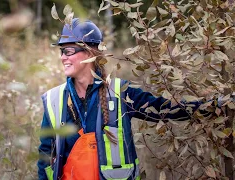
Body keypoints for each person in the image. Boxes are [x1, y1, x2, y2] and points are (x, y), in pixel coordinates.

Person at [37, 18, 198, 180]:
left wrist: (209, 107)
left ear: (90, 53)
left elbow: (163, 109)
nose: (63, 57)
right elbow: (45, 156)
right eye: (61, 51)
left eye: (68, 51)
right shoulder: (54, 100)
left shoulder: (119, 92)